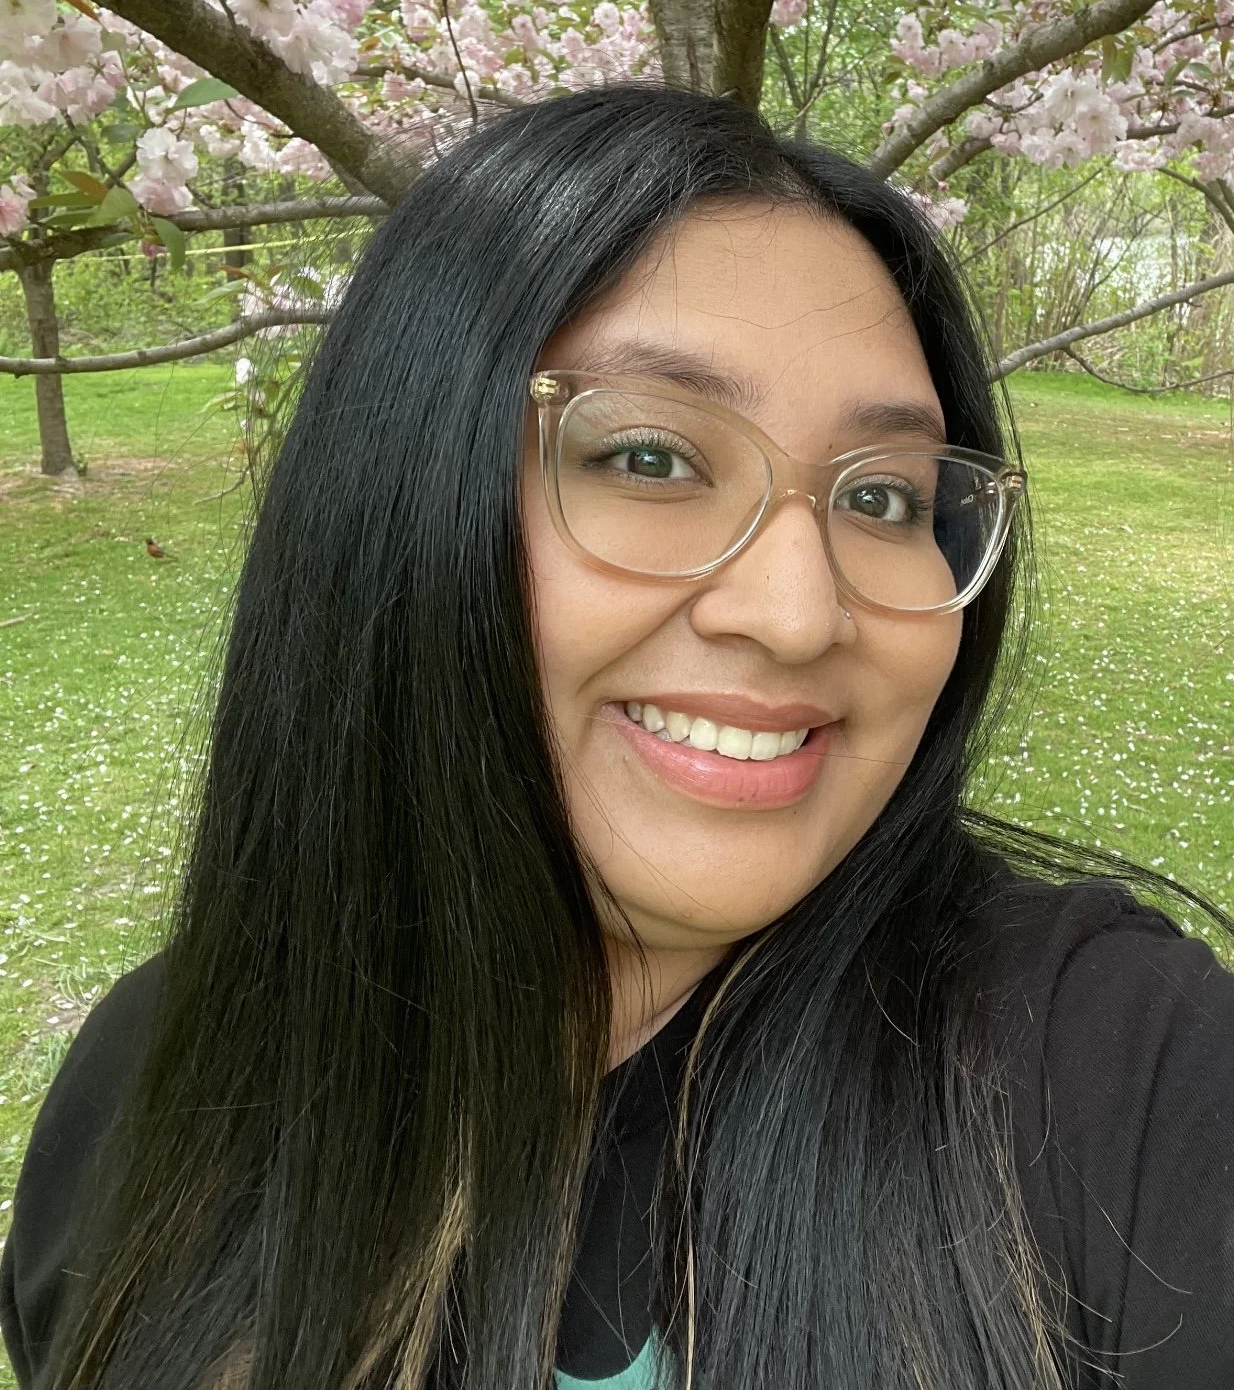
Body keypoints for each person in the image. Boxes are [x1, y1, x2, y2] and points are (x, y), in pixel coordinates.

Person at [2, 82, 1232, 1390]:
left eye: (881, 495)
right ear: (405, 488)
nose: (799, 611)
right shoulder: (147, 1105)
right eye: (649, 459)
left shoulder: (1124, 1086)